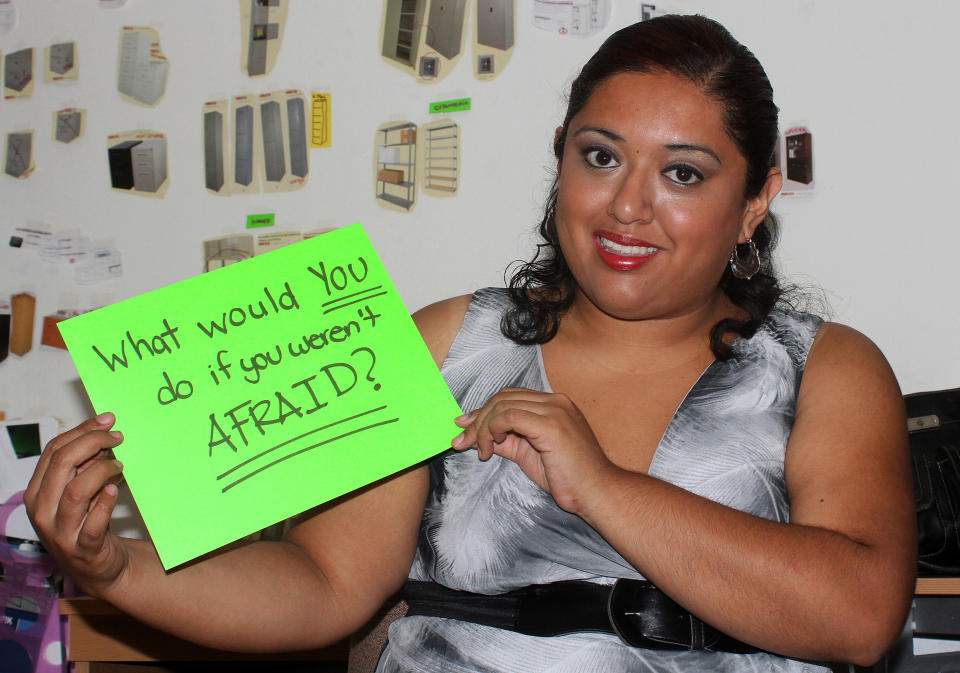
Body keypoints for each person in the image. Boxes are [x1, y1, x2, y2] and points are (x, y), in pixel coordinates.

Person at [25, 14, 915, 673]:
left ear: (755, 200)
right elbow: (327, 585)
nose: (628, 206)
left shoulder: (824, 367)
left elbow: (859, 615)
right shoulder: (448, 339)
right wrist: (117, 567)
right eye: (600, 157)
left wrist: (602, 486)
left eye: (683, 173)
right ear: (561, 157)